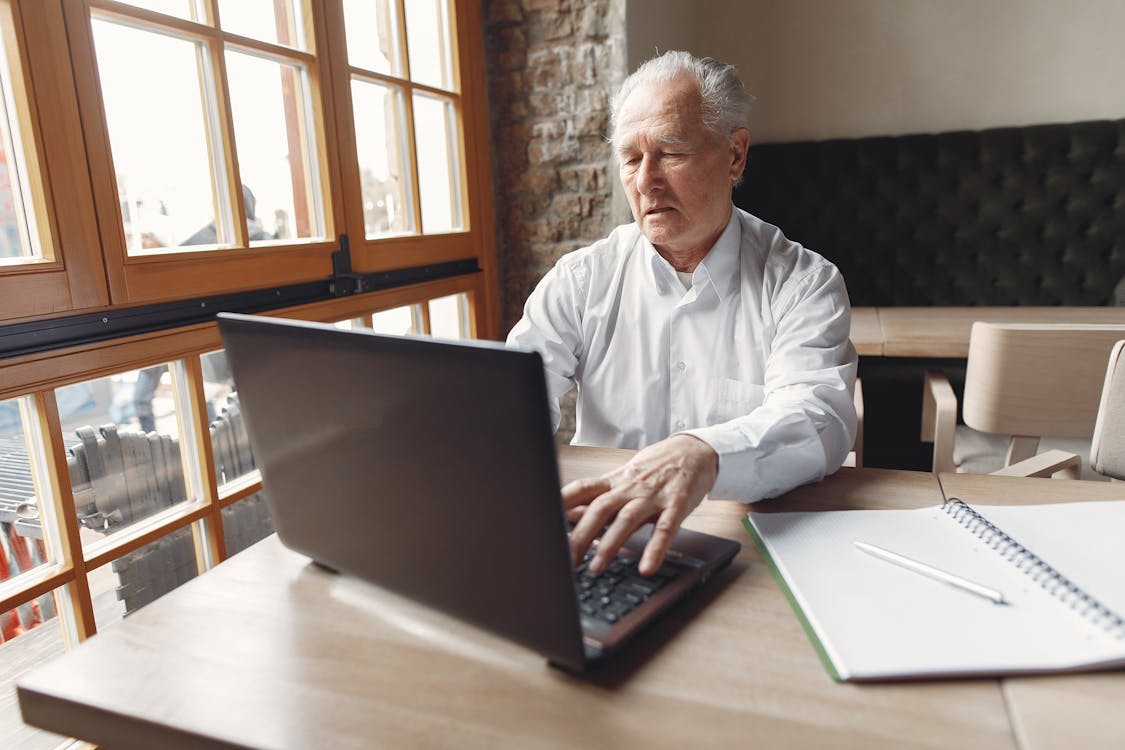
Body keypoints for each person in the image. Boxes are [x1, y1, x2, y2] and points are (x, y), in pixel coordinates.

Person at [506, 51, 857, 577]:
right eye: (630, 158)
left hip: (744, 552)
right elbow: (517, 393)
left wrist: (702, 453)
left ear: (735, 155)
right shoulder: (582, 280)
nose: (646, 181)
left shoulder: (804, 283)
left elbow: (818, 417)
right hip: (598, 540)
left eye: (669, 151)